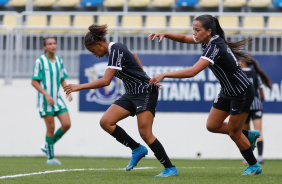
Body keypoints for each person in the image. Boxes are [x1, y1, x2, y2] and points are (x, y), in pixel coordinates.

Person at [148, 14, 262, 175]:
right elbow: (184, 38)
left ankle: (254, 165)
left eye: (197, 30)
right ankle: (248, 135)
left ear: (208, 31)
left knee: (233, 133)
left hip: (241, 91)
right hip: (227, 91)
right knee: (212, 126)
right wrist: (166, 34)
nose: (194, 33)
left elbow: (193, 72)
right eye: (193, 29)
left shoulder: (214, 47)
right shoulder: (207, 39)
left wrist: (165, 74)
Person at [63, 24, 178, 177]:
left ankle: (170, 168)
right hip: (131, 93)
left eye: (92, 51)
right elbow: (134, 55)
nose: (94, 54)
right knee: (106, 122)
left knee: (145, 132)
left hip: (145, 92)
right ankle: (137, 149)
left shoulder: (115, 49)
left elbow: (105, 81)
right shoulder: (112, 52)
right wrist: (145, 76)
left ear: (99, 44)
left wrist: (79, 86)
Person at [31, 37, 72, 165]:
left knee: (67, 124)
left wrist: (67, 91)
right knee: (51, 128)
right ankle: (50, 158)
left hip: (57, 99)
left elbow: (62, 78)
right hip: (45, 100)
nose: (53, 46)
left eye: (54, 43)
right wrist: (46, 94)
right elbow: (34, 81)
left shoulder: (59, 61)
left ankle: (47, 145)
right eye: (50, 44)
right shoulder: (40, 61)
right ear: (45, 47)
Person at [239, 57, 272, 164]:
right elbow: (262, 93)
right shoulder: (255, 74)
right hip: (256, 105)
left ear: (243, 63)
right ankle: (260, 157)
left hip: (244, 106)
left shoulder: (239, 74)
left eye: (239, 61)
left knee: (247, 134)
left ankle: (249, 158)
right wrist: (259, 103)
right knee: (259, 132)